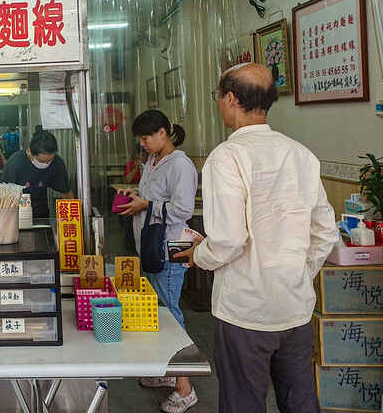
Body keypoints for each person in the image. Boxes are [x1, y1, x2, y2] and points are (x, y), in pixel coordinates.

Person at [180, 63, 338, 413]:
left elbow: (229, 239)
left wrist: (198, 255)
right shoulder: (301, 154)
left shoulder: (227, 157)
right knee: (300, 400)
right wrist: (297, 270)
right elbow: (326, 231)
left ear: (231, 99)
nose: (219, 103)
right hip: (295, 308)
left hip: (245, 312)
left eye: (218, 97)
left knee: (243, 402)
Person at [116, 110, 198, 413]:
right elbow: (151, 196)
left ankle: (185, 387)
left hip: (169, 250)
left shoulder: (181, 166)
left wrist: (146, 204)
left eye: (146, 137)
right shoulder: (152, 161)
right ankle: (168, 373)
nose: (143, 143)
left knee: (171, 315)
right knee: (159, 310)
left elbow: (182, 209)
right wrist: (135, 195)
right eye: (140, 138)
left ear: (163, 133)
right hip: (151, 247)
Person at [0, 128, 73, 219]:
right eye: (41, 161)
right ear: (30, 152)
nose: (46, 164)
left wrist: (71, 220)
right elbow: (3, 195)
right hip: (16, 216)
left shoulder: (56, 163)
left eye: (49, 161)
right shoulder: (15, 163)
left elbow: (66, 193)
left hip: (41, 216)